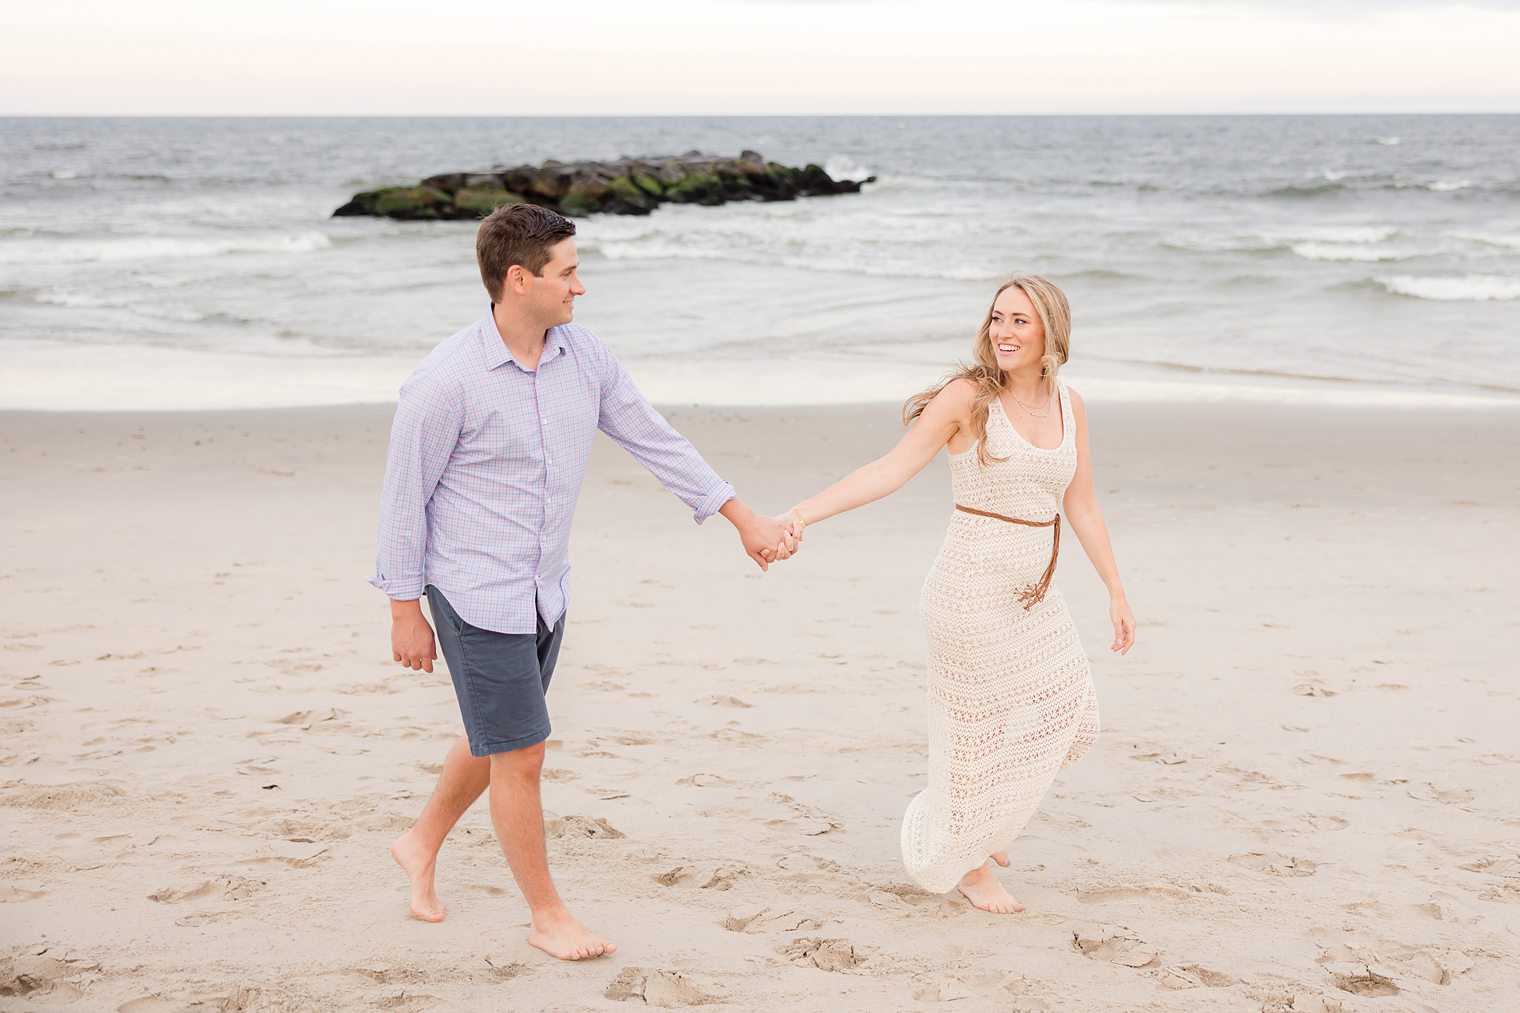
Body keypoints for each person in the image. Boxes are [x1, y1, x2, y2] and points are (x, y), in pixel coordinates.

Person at [369, 203, 797, 961]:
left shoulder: (585, 359)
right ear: (519, 279)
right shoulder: (445, 382)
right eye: (568, 272)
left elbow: (654, 438)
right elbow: (404, 499)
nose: (581, 287)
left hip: (543, 586)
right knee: (524, 749)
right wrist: (406, 609)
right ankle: (546, 915)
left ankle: (420, 839)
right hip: (472, 592)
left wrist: (742, 518)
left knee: (499, 732)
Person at [780, 274, 1134, 913]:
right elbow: (889, 469)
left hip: (1034, 593)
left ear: (1051, 329)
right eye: (998, 318)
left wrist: (1115, 587)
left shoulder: (1069, 403)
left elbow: (1080, 503)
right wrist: (800, 514)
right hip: (968, 591)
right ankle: (971, 865)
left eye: (1021, 321)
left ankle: (973, 820)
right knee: (975, 734)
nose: (1003, 331)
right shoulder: (968, 397)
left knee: (1077, 721)